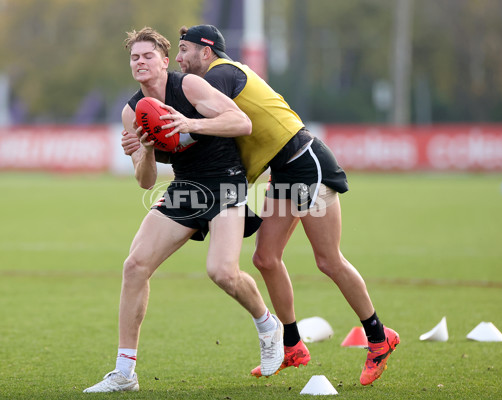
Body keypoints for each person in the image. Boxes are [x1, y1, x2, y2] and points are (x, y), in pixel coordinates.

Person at [169, 24, 400, 386]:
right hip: (284, 169)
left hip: (307, 161)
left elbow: (217, 124)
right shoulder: (215, 77)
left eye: (184, 49)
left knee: (328, 260)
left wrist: (175, 130)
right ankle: (292, 345)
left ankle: (378, 337)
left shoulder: (220, 73)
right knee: (265, 258)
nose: (178, 58)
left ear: (206, 51)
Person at [83, 26, 284, 393]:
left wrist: (189, 122)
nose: (140, 62)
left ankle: (269, 327)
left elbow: (242, 122)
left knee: (222, 272)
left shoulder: (189, 86)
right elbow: (145, 181)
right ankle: (125, 373)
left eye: (148, 56)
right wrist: (143, 149)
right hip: (186, 187)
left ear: (163, 61)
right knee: (134, 266)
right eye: (134, 57)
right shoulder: (132, 112)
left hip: (225, 180)